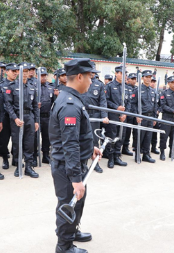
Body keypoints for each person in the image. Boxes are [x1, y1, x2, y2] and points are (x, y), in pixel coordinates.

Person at [49, 58, 101, 253]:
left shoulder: (71, 98)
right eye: (90, 77)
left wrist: (91, 149)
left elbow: (77, 136)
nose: (91, 81)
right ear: (79, 76)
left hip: (72, 163)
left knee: (76, 203)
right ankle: (64, 246)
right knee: (68, 204)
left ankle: (72, 231)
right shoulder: (70, 104)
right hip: (68, 167)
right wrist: (76, 179)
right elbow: (69, 144)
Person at [4, 63, 39, 178]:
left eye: (27, 71)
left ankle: (28, 167)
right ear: (18, 72)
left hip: (29, 117)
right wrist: (15, 118)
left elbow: (35, 106)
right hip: (17, 117)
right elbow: (8, 105)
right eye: (23, 71)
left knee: (29, 143)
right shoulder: (12, 86)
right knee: (17, 143)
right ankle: (19, 165)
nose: (25, 73)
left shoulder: (32, 87)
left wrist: (36, 121)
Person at [81, 63, 109, 173]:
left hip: (95, 116)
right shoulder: (82, 83)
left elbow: (103, 101)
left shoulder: (99, 85)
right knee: (83, 139)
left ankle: (95, 163)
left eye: (93, 72)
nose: (92, 74)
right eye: (90, 72)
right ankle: (83, 163)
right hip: (83, 115)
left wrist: (104, 116)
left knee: (94, 139)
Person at [105, 65, 130, 168]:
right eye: (122, 73)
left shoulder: (126, 87)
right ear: (116, 73)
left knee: (121, 137)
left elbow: (129, 103)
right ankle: (110, 158)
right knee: (112, 136)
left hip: (123, 117)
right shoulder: (110, 86)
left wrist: (125, 113)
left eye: (125, 73)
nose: (124, 75)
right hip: (113, 116)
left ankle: (117, 157)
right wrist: (116, 108)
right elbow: (106, 100)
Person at [131, 70, 157, 163]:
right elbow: (133, 104)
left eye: (150, 77)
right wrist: (136, 115)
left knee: (148, 137)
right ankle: (137, 154)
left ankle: (146, 154)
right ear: (142, 78)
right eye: (147, 77)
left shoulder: (153, 91)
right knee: (139, 137)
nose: (148, 79)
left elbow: (155, 105)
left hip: (150, 117)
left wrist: (154, 117)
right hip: (141, 117)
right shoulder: (137, 90)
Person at [0, 63, 19, 169]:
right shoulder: (1, 85)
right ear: (6, 72)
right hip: (5, 116)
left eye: (16, 71)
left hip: (16, 116)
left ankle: (16, 159)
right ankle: (5, 159)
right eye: (12, 71)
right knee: (3, 139)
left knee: (16, 138)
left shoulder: (19, 85)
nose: (15, 73)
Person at [32, 67, 54, 166]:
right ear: (37, 76)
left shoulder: (50, 87)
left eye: (45, 75)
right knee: (34, 138)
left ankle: (45, 155)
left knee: (46, 137)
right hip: (37, 117)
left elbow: (54, 102)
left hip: (47, 116)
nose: (43, 77)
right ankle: (33, 157)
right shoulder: (33, 86)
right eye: (41, 76)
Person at [158, 76, 174, 160]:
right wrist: (173, 111)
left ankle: (172, 152)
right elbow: (163, 105)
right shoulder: (164, 93)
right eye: (172, 82)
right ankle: (162, 152)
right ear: (168, 83)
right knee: (164, 136)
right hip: (166, 118)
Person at [122, 73, 137, 156]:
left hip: (132, 113)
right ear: (128, 79)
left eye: (135, 79)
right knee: (123, 131)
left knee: (129, 132)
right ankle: (121, 147)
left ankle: (126, 147)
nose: (134, 80)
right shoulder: (125, 87)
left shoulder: (136, 89)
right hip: (125, 112)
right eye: (132, 79)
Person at [150, 76, 161, 155]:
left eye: (154, 82)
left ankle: (153, 147)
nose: (153, 83)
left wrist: (158, 110)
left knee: (154, 133)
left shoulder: (157, 93)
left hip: (155, 116)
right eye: (152, 81)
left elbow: (160, 104)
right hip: (148, 115)